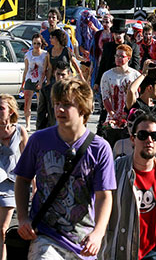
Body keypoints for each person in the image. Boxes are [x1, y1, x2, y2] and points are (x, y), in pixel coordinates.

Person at [15, 77, 116, 258]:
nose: (59, 109)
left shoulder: (100, 148)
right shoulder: (38, 140)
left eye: (67, 104)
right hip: (45, 236)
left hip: (83, 242)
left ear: (83, 109)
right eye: (57, 103)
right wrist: (23, 218)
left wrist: (98, 233)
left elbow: (104, 195)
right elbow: (22, 179)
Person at [99, 113, 156, 260]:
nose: (149, 140)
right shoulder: (115, 170)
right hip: (121, 250)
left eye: (155, 136)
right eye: (143, 135)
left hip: (154, 252)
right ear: (133, 139)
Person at [0, 95, 28, 260]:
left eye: (1, 108)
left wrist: (34, 184)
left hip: (11, 185)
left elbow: (28, 160)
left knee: (3, 229)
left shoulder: (19, 131)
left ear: (10, 111)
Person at [100, 44, 142, 147]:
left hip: (130, 120)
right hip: (112, 120)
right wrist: (113, 114)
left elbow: (139, 98)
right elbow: (105, 97)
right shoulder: (107, 75)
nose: (118, 59)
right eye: (117, 56)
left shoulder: (135, 75)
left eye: (122, 56)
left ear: (128, 58)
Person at [21, 33, 47, 130]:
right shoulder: (28, 55)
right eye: (34, 43)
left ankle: (39, 123)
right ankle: (27, 124)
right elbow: (26, 69)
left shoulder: (45, 54)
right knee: (27, 102)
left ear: (41, 44)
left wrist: (41, 82)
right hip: (29, 79)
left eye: (38, 44)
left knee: (40, 103)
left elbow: (45, 70)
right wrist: (22, 83)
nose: (36, 46)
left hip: (40, 79)